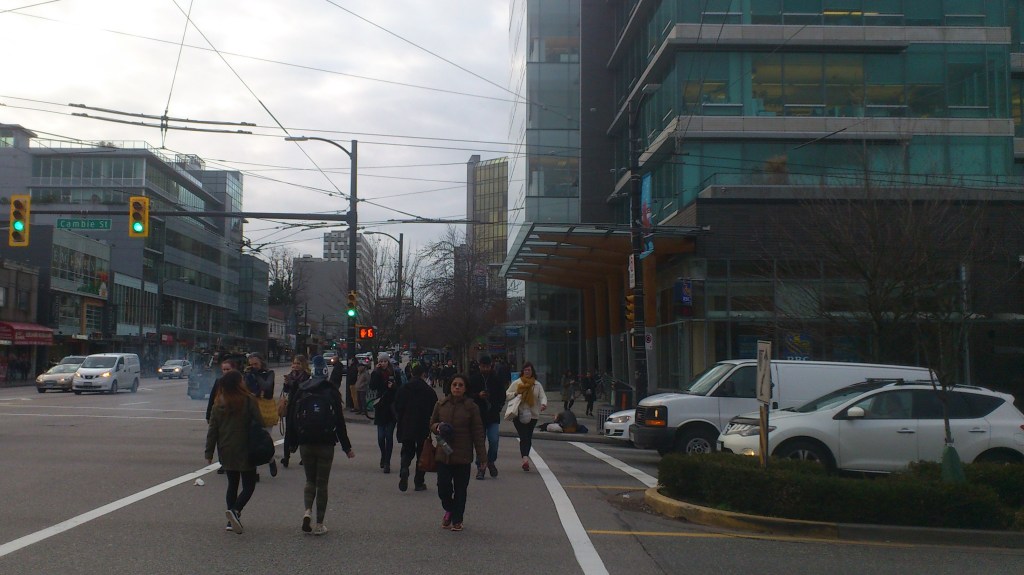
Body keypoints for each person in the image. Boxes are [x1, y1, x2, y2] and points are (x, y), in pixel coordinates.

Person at [284, 355, 354, 536]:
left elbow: (291, 417)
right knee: (322, 484)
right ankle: (319, 524)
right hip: (326, 443)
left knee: (310, 480)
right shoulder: (331, 391)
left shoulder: (302, 389)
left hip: (306, 442)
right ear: (325, 373)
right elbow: (339, 422)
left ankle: (307, 511)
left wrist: (292, 442)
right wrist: (346, 447)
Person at [204, 369, 261, 534]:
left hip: (226, 448)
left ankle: (230, 521)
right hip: (246, 447)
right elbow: (259, 421)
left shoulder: (218, 403)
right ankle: (236, 510)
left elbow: (212, 430)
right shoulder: (249, 400)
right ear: (238, 383)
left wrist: (209, 452)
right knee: (249, 485)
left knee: (232, 484)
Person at [429, 374, 486, 532]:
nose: (457, 387)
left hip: (463, 456)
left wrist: (482, 457)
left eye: (461, 385)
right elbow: (431, 423)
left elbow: (478, 433)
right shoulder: (441, 404)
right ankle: (449, 509)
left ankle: (457, 519)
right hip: (443, 454)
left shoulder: (471, 407)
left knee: (461, 490)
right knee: (443, 488)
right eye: (454, 384)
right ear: (450, 386)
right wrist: (437, 427)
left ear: (465, 388)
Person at [394, 362, 438, 492]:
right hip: (422, 425)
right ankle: (419, 482)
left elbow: (397, 406)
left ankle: (404, 468)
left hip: (406, 424)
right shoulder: (429, 391)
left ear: (412, 374)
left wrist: (400, 418)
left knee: (407, 450)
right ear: (423, 374)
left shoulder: (403, 389)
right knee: (422, 454)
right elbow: (435, 409)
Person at [467, 354, 504, 480]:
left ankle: (491, 460)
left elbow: (502, 395)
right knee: (480, 443)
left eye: (487, 366)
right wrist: (478, 395)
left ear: (491, 366)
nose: (485, 369)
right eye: (483, 366)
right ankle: (481, 466)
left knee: (494, 440)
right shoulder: (474, 379)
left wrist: (498, 406)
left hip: (493, 415)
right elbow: (468, 395)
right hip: (478, 415)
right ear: (479, 366)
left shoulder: (496, 379)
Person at [505, 361, 547, 472]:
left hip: (533, 415)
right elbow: (506, 395)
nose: (527, 372)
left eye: (529, 370)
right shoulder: (517, 383)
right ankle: (525, 460)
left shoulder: (537, 385)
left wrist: (543, 404)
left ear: (532, 371)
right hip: (518, 414)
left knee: (528, 437)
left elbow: (542, 396)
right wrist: (515, 394)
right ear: (522, 371)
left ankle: (525, 457)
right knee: (523, 437)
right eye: (525, 370)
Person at [244, 353, 278, 477]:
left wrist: (256, 374)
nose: (253, 366)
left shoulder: (269, 373)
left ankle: (271, 459)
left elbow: (266, 386)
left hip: (265, 408)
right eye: (251, 364)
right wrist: (248, 376)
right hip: (252, 407)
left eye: (256, 364)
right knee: (252, 441)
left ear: (261, 363)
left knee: (266, 439)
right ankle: (254, 471)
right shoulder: (248, 375)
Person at [280, 355, 311, 468]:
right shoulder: (290, 375)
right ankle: (286, 457)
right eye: (294, 363)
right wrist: (286, 383)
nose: (296, 366)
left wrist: (291, 383)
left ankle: (304, 457)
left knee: (301, 431)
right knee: (289, 431)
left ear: (303, 364)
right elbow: (287, 390)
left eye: (298, 363)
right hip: (292, 406)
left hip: (302, 406)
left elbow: (302, 388)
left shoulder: (307, 376)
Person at [370, 352, 398, 473]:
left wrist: (394, 387)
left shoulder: (395, 373)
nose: (383, 363)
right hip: (381, 407)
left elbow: (400, 389)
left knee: (389, 436)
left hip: (391, 408)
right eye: (381, 361)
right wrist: (376, 372)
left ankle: (387, 462)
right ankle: (383, 454)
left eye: (385, 361)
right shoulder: (377, 373)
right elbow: (372, 386)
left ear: (388, 362)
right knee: (381, 437)